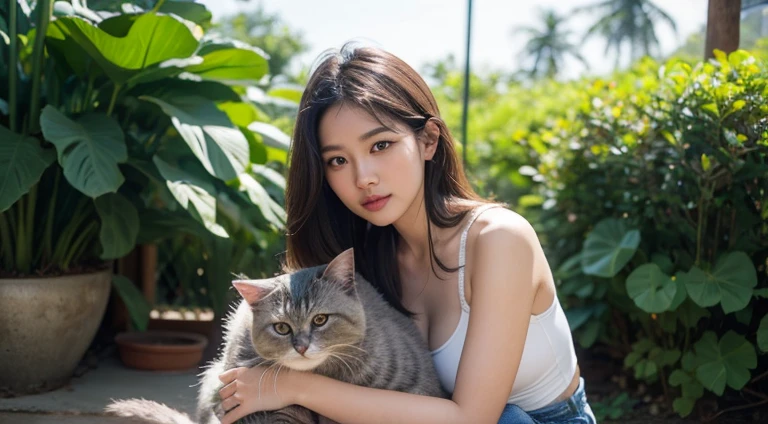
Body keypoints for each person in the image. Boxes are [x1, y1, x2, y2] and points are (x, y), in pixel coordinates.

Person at [217, 43, 596, 424]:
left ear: (428, 141)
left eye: (380, 145)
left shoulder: (499, 239)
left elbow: (473, 418)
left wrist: (292, 386)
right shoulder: (358, 261)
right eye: (338, 160)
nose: (363, 176)